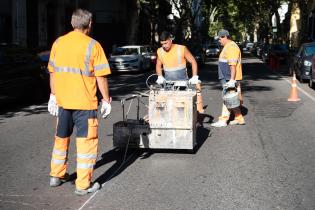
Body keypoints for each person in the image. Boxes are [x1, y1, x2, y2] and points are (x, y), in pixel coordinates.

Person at [47, 8, 111, 196]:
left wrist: (53, 95)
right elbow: (101, 77)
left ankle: (56, 176)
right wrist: (106, 100)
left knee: (61, 139)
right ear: (89, 24)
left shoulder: (58, 43)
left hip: (63, 102)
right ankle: (83, 185)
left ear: (72, 23)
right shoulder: (93, 45)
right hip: (85, 105)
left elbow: (53, 72)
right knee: (86, 145)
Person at [211, 29, 245, 127]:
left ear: (225, 37)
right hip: (227, 77)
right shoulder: (228, 46)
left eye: (220, 38)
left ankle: (223, 120)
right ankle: (239, 118)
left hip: (229, 78)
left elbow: (232, 65)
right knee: (231, 98)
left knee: (228, 98)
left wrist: (231, 80)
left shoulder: (231, 47)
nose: (219, 40)